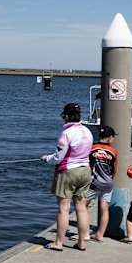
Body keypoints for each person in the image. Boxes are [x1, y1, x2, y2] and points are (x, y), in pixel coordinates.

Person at [41, 103, 93, 252]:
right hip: (85, 171)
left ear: (66, 116)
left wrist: (46, 158)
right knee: (81, 208)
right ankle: (82, 243)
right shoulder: (88, 131)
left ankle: (58, 243)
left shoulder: (67, 134)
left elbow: (58, 157)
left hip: (68, 172)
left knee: (64, 209)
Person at [71, 125, 117, 243]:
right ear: (110, 138)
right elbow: (114, 169)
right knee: (104, 209)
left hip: (94, 183)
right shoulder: (113, 151)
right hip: (108, 183)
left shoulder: (92, 148)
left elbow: (87, 165)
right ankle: (100, 235)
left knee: (83, 206)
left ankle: (85, 234)